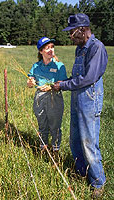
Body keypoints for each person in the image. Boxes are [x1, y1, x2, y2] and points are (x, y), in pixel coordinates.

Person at [53, 13, 108, 198]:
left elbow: (89, 78)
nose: (70, 36)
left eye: (72, 32)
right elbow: (77, 78)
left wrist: (64, 85)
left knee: (88, 142)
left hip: (90, 99)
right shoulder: (80, 48)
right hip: (77, 98)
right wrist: (61, 83)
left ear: (83, 29)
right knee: (75, 139)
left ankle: (98, 182)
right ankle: (81, 171)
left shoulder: (97, 47)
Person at [27, 37, 67, 158]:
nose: (51, 50)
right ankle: (43, 148)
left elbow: (62, 83)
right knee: (42, 124)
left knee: (55, 126)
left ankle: (55, 151)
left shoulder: (60, 66)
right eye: (47, 48)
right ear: (41, 51)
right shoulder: (36, 66)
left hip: (54, 98)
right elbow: (30, 80)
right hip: (39, 98)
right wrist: (30, 82)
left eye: (52, 47)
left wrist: (50, 87)